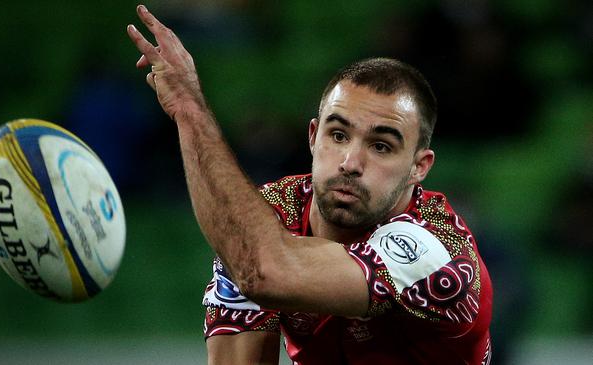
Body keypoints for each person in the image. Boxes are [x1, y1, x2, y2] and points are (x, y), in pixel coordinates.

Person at [127, 4, 493, 364]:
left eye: (381, 146)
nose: (350, 163)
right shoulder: (271, 216)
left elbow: (265, 270)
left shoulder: (434, 254)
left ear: (419, 167)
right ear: (313, 137)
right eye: (337, 135)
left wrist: (189, 109)